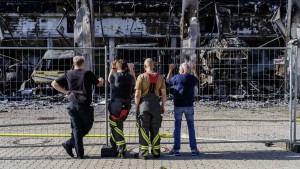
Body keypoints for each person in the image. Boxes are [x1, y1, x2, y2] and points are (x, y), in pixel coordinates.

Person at [51, 55, 104, 159]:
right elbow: (99, 84)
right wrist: (101, 79)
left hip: (71, 104)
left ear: (74, 63)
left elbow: (54, 83)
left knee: (77, 129)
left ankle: (76, 151)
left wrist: (66, 92)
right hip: (84, 105)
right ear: (83, 64)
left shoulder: (68, 73)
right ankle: (70, 144)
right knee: (87, 126)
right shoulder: (87, 73)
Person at [134, 58, 167, 160]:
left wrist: (136, 108)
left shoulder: (141, 77)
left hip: (144, 105)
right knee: (155, 129)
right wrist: (163, 106)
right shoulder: (160, 78)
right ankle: (156, 152)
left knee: (144, 129)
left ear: (145, 66)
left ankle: (143, 153)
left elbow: (137, 95)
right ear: (153, 66)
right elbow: (164, 94)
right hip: (156, 105)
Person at [166, 62, 200, 156]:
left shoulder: (177, 77)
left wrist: (170, 69)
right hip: (189, 106)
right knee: (191, 127)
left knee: (177, 127)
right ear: (188, 70)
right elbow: (197, 80)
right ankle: (194, 149)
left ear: (181, 70)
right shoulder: (192, 78)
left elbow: (168, 80)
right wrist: (194, 70)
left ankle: (176, 149)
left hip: (178, 106)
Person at [108, 59, 135, 158]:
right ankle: (114, 145)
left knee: (115, 125)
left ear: (117, 67)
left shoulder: (114, 76)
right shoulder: (129, 77)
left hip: (116, 104)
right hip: (127, 105)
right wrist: (131, 70)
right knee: (117, 125)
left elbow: (108, 79)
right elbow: (134, 82)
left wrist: (113, 67)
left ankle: (121, 149)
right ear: (126, 67)